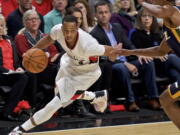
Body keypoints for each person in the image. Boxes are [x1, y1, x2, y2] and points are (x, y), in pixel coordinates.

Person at [8, 15, 120, 135]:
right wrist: (33, 49)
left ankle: (20, 130)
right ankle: (95, 96)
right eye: (66, 29)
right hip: (69, 65)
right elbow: (49, 38)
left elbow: (108, 51)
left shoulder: (86, 43)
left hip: (84, 74)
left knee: (53, 106)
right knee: (62, 96)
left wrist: (115, 52)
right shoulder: (59, 31)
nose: (68, 33)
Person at [116, 0, 180, 129]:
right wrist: (129, 52)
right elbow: (160, 51)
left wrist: (142, 2)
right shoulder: (169, 26)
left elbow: (160, 11)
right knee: (165, 99)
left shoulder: (174, 11)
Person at [91, 1, 161, 111]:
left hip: (127, 61)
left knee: (148, 62)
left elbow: (129, 45)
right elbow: (103, 59)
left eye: (106, 12)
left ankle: (152, 98)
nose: (104, 15)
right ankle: (130, 101)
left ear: (110, 14)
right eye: (100, 13)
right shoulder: (94, 34)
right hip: (112, 65)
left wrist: (139, 55)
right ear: (95, 15)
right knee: (121, 67)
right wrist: (124, 63)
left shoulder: (117, 27)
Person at [0, 14, 36, 121]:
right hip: (2, 73)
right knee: (22, 78)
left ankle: (32, 107)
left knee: (31, 73)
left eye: (2, 25)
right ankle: (6, 112)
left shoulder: (9, 40)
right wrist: (10, 71)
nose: (0, 28)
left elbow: (15, 60)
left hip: (12, 73)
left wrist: (19, 68)